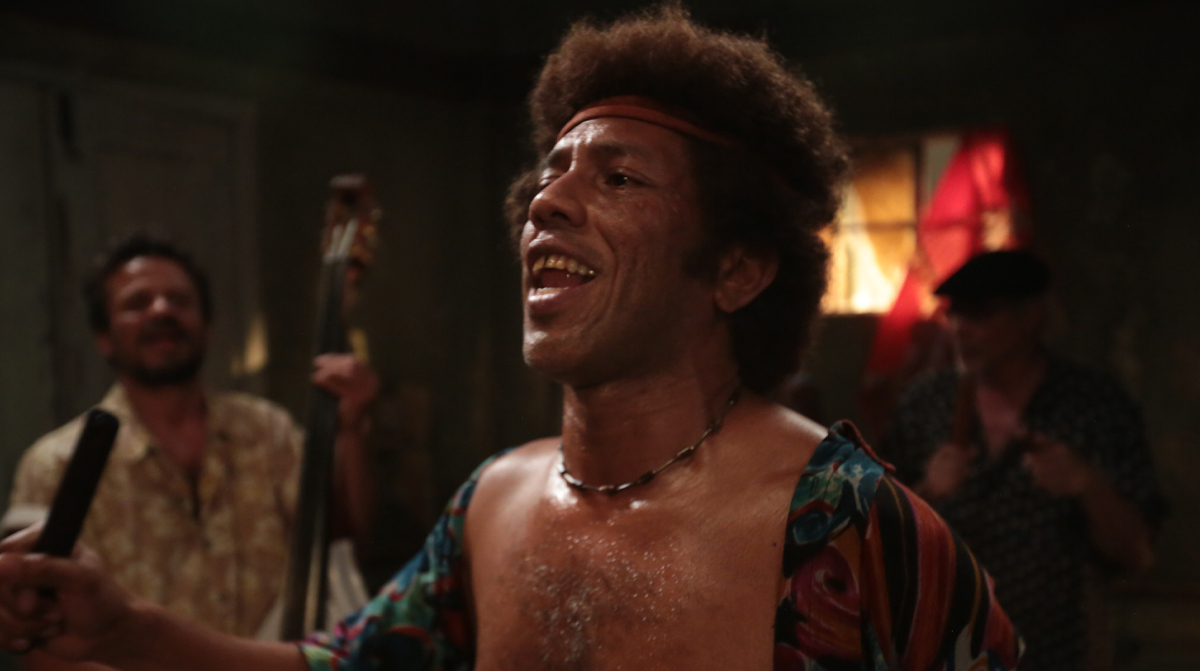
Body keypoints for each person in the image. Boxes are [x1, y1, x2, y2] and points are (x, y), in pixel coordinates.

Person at [0, 8, 1022, 670]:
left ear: (738, 269)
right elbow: (344, 663)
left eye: (618, 177)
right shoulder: (494, 498)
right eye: (548, 175)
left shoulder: (847, 520)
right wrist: (126, 626)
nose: (547, 201)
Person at [0, 235, 379, 667]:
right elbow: (40, 638)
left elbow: (344, 549)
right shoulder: (53, 464)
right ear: (104, 337)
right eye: (137, 302)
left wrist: (350, 428)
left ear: (206, 324)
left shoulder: (268, 430)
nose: (162, 310)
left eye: (179, 299)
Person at [882, 249, 1167, 671]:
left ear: (1030, 315)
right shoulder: (926, 404)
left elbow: (1136, 554)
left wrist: (1088, 485)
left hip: (1056, 650)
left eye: (980, 314)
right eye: (954, 313)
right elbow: (877, 545)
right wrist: (926, 493)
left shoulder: (1092, 406)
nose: (961, 328)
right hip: (945, 648)